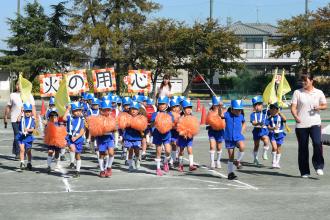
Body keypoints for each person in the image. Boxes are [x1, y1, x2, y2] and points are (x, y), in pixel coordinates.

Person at [291, 73, 327, 177]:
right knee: (303, 148)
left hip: (315, 123)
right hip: (301, 125)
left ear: (311, 81)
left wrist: (319, 107)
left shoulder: (319, 92)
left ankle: (319, 166)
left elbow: (324, 105)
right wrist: (295, 116)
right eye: (302, 81)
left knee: (317, 143)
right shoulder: (297, 92)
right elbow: (293, 107)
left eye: (305, 81)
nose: (303, 83)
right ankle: (304, 171)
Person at [4, 81, 36, 158]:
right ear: (16, 86)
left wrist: (35, 118)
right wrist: (5, 116)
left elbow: (33, 107)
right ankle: (18, 153)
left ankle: (21, 151)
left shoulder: (29, 95)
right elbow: (8, 107)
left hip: (26, 119)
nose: (19, 86)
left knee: (25, 135)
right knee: (17, 135)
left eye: (20, 85)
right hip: (15, 119)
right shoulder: (12, 95)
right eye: (17, 84)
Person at [222, 100, 246, 180]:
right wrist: (219, 107)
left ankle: (238, 161)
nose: (239, 111)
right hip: (229, 138)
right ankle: (230, 174)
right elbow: (220, 115)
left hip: (238, 136)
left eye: (240, 109)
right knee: (231, 157)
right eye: (237, 109)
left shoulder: (241, 116)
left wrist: (242, 130)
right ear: (232, 109)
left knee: (242, 146)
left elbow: (244, 123)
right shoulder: (227, 115)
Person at [63, 102, 85, 178]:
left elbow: (82, 131)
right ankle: (72, 162)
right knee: (72, 148)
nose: (78, 112)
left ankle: (77, 171)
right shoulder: (70, 117)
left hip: (78, 139)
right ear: (72, 111)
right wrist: (68, 109)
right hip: (70, 138)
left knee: (78, 156)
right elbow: (64, 118)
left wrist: (76, 137)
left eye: (79, 110)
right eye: (76, 110)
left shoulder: (81, 119)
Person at [177, 100, 198, 172]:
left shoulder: (192, 118)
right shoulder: (181, 118)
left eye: (190, 108)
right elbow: (178, 128)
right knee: (181, 151)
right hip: (182, 137)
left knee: (190, 149)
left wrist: (191, 133)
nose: (189, 110)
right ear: (183, 109)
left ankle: (191, 165)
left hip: (189, 137)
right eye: (187, 108)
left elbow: (195, 127)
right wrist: (183, 133)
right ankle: (180, 164)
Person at [250, 96, 270, 166]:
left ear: (262, 105)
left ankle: (264, 152)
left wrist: (270, 103)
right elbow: (253, 123)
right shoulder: (253, 114)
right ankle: (255, 158)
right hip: (256, 130)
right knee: (256, 145)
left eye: (259, 105)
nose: (257, 107)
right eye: (255, 105)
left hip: (263, 130)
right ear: (253, 106)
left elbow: (272, 110)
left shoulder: (265, 112)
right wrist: (258, 123)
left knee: (266, 139)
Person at [266, 103, 286, 169]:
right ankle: (274, 161)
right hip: (272, 134)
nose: (273, 111)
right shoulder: (269, 118)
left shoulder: (280, 116)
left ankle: (277, 162)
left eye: (275, 109)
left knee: (279, 148)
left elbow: (285, 119)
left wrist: (280, 113)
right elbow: (268, 127)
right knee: (274, 147)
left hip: (280, 134)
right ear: (270, 110)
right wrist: (272, 128)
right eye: (272, 109)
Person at [16, 103, 36, 170]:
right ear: (24, 112)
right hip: (21, 136)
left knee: (28, 151)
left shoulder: (32, 120)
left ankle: (29, 163)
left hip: (28, 137)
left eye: (29, 111)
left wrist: (27, 129)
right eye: (26, 111)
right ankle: (22, 162)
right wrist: (21, 112)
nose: (28, 113)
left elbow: (32, 129)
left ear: (31, 112)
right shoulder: (22, 118)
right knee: (22, 150)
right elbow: (18, 120)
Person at [207, 96, 225, 169]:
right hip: (212, 131)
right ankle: (212, 162)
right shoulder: (210, 112)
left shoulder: (223, 111)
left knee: (219, 147)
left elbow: (222, 117)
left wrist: (220, 108)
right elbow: (207, 121)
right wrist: (210, 123)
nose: (216, 106)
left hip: (220, 132)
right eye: (215, 105)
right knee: (212, 146)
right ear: (213, 105)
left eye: (218, 105)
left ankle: (218, 161)